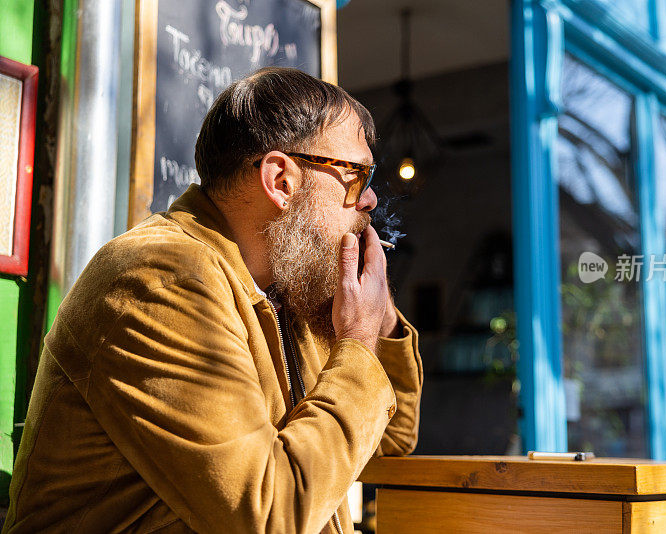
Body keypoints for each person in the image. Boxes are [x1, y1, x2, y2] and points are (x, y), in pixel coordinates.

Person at [2, 67, 423, 533]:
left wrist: (379, 322)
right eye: (355, 174)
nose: (368, 199)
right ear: (281, 180)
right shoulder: (163, 280)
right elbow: (265, 516)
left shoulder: (284, 291)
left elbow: (390, 439)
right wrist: (358, 342)